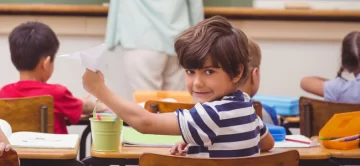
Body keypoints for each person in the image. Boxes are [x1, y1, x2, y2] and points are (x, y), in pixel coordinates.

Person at [83, 16, 274, 158]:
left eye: (209, 72)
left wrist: (100, 90)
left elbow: (145, 122)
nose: (197, 82)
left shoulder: (211, 115)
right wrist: (197, 138)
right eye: (190, 71)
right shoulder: (245, 106)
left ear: (237, 72)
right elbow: (268, 143)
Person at [0, 21, 107, 134]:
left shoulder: (3, 93)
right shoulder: (57, 93)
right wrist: (102, 105)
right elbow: (85, 107)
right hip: (53, 151)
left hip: (16, 151)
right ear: (45, 63)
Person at [105, 0, 204, 100]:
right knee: (176, 102)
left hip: (140, 38)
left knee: (147, 104)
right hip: (178, 40)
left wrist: (110, 40)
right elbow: (195, 6)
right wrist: (197, 40)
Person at [301, 31, 360, 103]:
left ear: (346, 62)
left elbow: (304, 82)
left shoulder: (338, 89)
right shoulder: (339, 88)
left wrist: (335, 84)